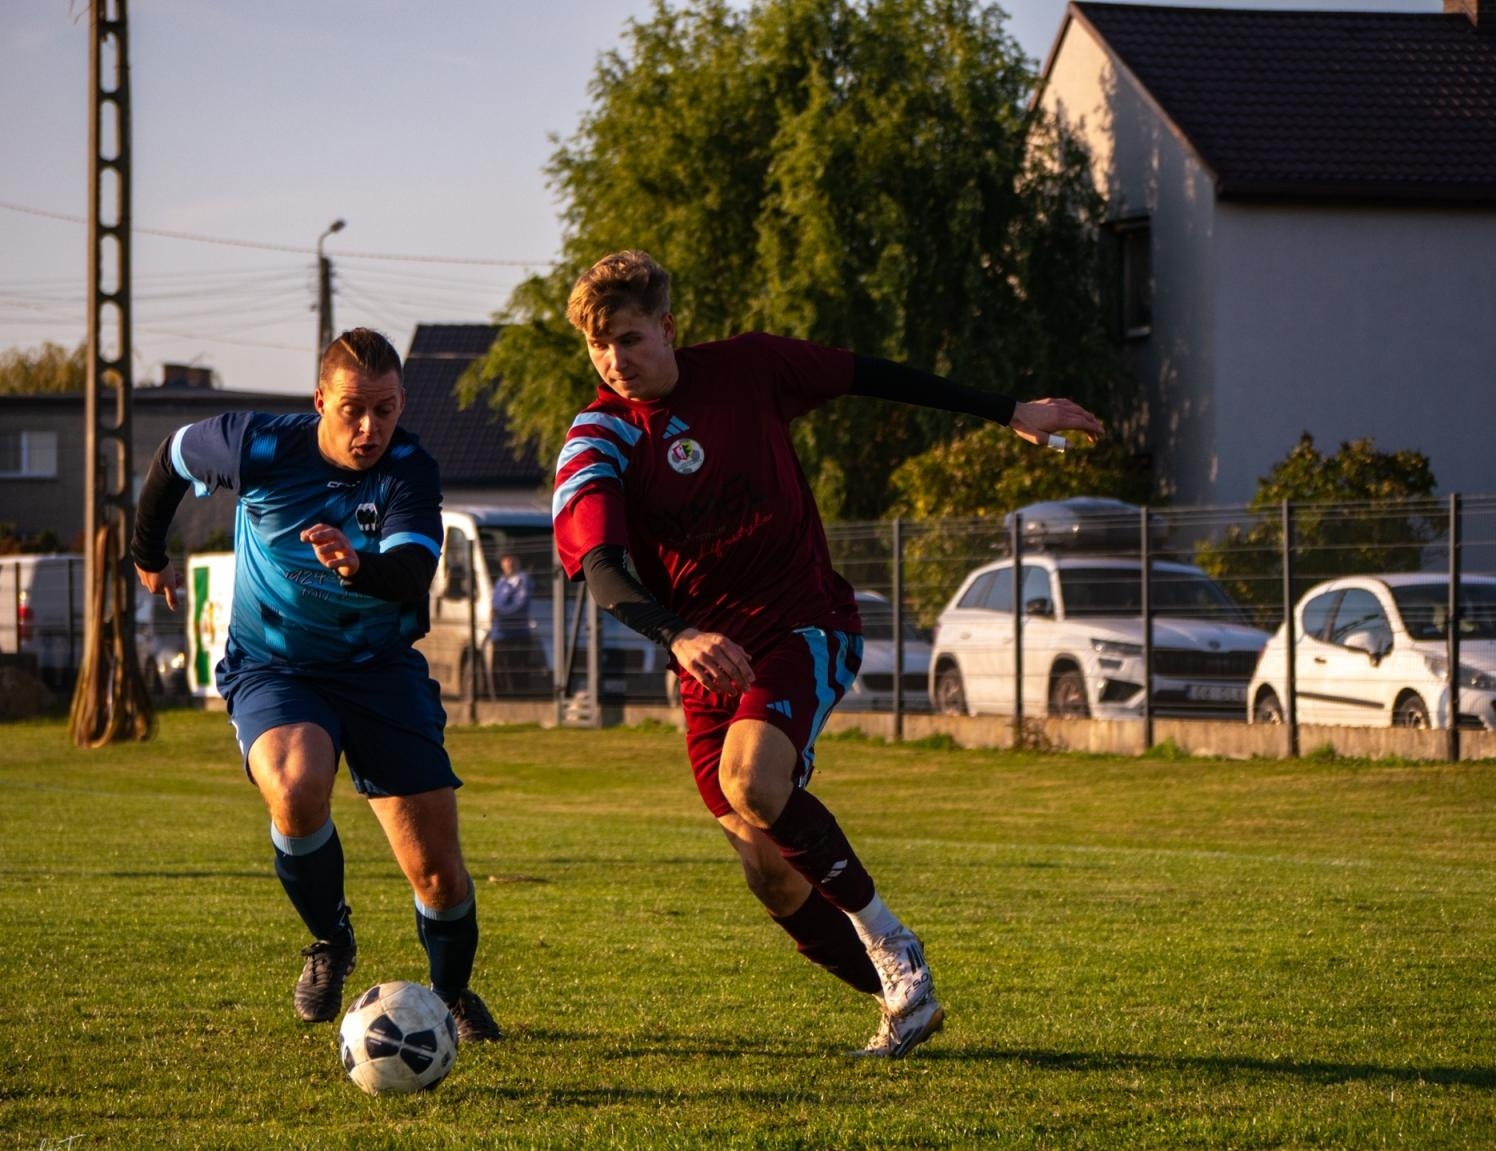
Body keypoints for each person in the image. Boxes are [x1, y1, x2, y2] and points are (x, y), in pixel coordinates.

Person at [551, 251, 1104, 1058]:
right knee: (768, 871)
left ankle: (893, 948)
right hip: (710, 655)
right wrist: (678, 633)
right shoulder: (598, 434)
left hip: (806, 619)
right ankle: (903, 1001)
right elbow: (599, 567)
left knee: (753, 779)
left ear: (668, 327)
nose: (614, 361)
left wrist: (1011, 408)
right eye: (598, 348)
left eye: (628, 340)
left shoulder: (749, 368)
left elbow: (871, 375)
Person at [130, 328, 501, 1043]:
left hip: (380, 672)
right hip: (277, 667)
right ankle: (331, 940)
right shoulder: (257, 445)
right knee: (297, 788)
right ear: (319, 400)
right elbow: (172, 457)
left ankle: (449, 996)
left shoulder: (409, 470)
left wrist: (354, 565)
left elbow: (408, 578)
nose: (371, 429)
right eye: (354, 410)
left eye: (387, 410)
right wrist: (149, 552)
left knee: (438, 876)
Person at [489, 552, 536, 696]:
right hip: (499, 633)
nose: (508, 563)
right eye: (505, 560)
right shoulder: (501, 581)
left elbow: (520, 605)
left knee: (518, 668)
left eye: (511, 559)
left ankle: (518, 697)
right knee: (500, 669)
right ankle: (501, 698)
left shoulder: (523, 581)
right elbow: (494, 602)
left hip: (517, 633)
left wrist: (500, 612)